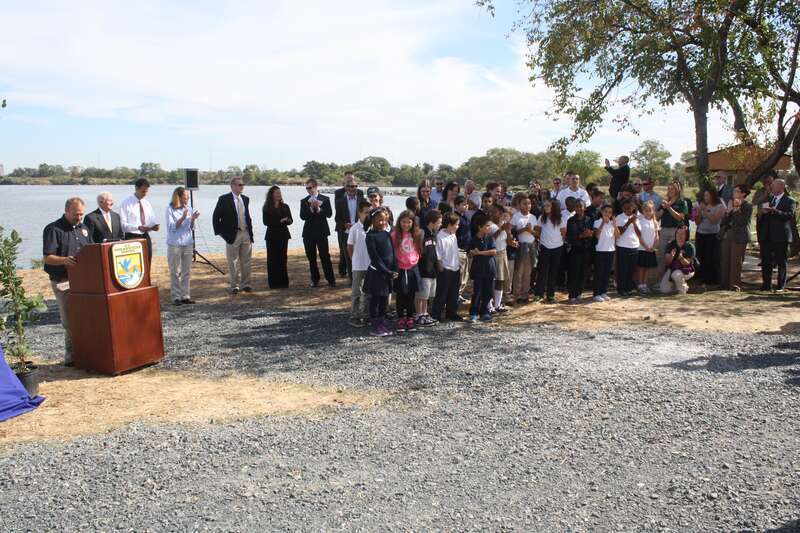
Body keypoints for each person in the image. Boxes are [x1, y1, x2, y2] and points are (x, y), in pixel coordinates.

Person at [42, 197, 93, 366]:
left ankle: (88, 352)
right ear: (66, 211)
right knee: (69, 319)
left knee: (87, 316)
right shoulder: (53, 229)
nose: (79, 218)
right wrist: (64, 260)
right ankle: (71, 357)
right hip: (63, 281)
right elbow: (47, 258)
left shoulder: (84, 228)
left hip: (84, 280)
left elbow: (92, 250)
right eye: (76, 214)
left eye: (81, 214)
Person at [212, 177, 254, 294]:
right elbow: (216, 217)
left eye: (243, 185)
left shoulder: (245, 199)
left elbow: (247, 216)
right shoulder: (224, 199)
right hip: (232, 235)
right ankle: (234, 285)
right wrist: (221, 233)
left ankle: (246, 284)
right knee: (233, 261)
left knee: (246, 260)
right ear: (233, 186)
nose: (242, 187)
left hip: (245, 233)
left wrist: (250, 233)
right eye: (240, 185)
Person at [364, 207, 398, 337]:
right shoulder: (370, 236)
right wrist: (387, 271)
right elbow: (375, 258)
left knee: (385, 300)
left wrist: (395, 268)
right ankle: (376, 325)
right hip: (377, 273)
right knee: (376, 299)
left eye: (385, 220)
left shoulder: (386, 234)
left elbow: (392, 253)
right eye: (379, 220)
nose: (383, 223)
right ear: (373, 220)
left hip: (388, 273)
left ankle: (382, 322)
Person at [758, 178, 796, 292]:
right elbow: (762, 216)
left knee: (781, 262)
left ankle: (780, 286)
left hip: (781, 236)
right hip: (767, 236)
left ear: (781, 187)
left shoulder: (790, 200)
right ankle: (766, 285)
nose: (771, 187)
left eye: (773, 186)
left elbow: (789, 215)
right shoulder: (769, 199)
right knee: (766, 262)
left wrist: (775, 211)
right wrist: (762, 213)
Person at [298, 178, 336, 287]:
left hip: (322, 231)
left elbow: (329, 214)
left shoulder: (325, 198)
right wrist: (310, 209)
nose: (308, 190)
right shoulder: (304, 201)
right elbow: (302, 216)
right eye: (307, 188)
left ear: (315, 187)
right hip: (308, 233)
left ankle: (331, 280)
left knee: (325, 256)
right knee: (311, 257)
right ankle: (315, 279)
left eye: (310, 188)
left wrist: (319, 209)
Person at [165, 187, 199, 305]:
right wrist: (183, 218)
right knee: (174, 271)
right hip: (175, 244)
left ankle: (185, 296)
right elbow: (171, 228)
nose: (188, 198)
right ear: (178, 197)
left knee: (186, 271)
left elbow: (191, 228)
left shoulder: (189, 208)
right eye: (186, 196)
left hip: (187, 243)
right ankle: (176, 297)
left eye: (188, 196)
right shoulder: (170, 209)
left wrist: (193, 219)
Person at [391, 210, 423, 332]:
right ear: (399, 222)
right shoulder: (395, 235)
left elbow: (419, 249)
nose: (406, 224)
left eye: (409, 222)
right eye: (403, 222)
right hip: (400, 268)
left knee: (411, 294)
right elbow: (392, 251)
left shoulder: (417, 234)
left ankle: (410, 317)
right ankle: (401, 318)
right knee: (400, 295)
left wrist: (415, 259)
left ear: (413, 223)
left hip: (412, 268)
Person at [719, 184, 753, 291]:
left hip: (740, 236)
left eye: (736, 191)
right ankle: (724, 285)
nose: (734, 193)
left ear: (743, 194)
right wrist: (728, 211)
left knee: (736, 262)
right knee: (726, 260)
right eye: (734, 191)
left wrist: (737, 209)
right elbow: (723, 222)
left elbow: (742, 222)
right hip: (728, 234)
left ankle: (734, 286)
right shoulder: (731, 204)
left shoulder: (748, 206)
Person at [533, 199, 567, 303]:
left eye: (548, 206)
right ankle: (539, 293)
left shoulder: (560, 219)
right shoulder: (541, 218)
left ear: (554, 207)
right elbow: (537, 232)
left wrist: (556, 242)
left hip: (557, 247)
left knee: (553, 271)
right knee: (542, 271)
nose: (545, 207)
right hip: (544, 247)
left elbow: (563, 233)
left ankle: (550, 294)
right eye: (545, 206)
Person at [432, 213, 463, 322]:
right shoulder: (440, 236)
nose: (457, 227)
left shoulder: (453, 235)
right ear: (449, 224)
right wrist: (440, 265)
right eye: (456, 224)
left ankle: (451, 313)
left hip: (455, 267)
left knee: (454, 293)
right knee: (442, 293)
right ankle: (436, 314)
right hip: (445, 268)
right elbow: (438, 253)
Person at [119, 178, 159, 262]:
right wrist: (138, 227)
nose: (145, 194)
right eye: (143, 191)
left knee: (148, 260)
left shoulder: (147, 203)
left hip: (145, 235)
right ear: (136, 188)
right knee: (134, 263)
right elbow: (122, 225)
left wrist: (154, 226)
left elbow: (152, 220)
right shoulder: (125, 203)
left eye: (147, 191)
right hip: (131, 236)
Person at [656, 180, 691, 275]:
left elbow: (681, 217)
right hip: (664, 230)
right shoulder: (665, 201)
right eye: (669, 188)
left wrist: (669, 208)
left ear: (677, 190)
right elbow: (657, 216)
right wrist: (664, 207)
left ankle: (674, 278)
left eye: (673, 188)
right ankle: (661, 280)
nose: (670, 190)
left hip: (676, 232)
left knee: (674, 255)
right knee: (662, 255)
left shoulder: (682, 202)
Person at [347, 200, 373, 327]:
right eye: (366, 213)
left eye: (370, 212)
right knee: (356, 292)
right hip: (358, 265)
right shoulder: (355, 228)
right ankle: (354, 315)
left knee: (367, 292)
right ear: (359, 213)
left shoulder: (372, 228)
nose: (368, 215)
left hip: (370, 265)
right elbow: (350, 246)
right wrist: (354, 259)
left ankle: (366, 315)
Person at [468, 212, 497, 322]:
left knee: (488, 291)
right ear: (480, 227)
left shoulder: (490, 238)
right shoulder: (473, 239)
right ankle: (473, 313)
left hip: (490, 268)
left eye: (490, 225)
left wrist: (480, 253)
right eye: (487, 226)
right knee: (477, 291)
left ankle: (485, 311)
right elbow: (469, 254)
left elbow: (494, 251)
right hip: (478, 269)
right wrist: (472, 253)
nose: (489, 228)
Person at [262, 185, 293, 289]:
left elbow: (290, 221)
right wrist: (279, 221)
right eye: (277, 193)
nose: (279, 195)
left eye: (280, 193)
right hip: (271, 236)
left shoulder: (285, 206)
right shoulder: (266, 207)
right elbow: (266, 222)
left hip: (283, 235)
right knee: (272, 259)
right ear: (272, 194)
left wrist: (287, 220)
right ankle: (273, 283)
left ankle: (283, 283)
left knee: (282, 258)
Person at [334, 172, 364, 279]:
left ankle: (360, 279)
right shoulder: (340, 202)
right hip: (346, 233)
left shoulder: (362, 200)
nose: (353, 188)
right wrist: (344, 225)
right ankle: (352, 280)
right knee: (348, 257)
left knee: (359, 255)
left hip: (359, 232)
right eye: (351, 186)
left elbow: (365, 216)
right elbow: (337, 219)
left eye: (355, 186)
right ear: (346, 188)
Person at [415, 210, 442, 326]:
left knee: (427, 296)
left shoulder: (434, 234)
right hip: (423, 269)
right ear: (432, 222)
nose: (440, 225)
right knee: (421, 295)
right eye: (439, 222)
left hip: (432, 270)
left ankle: (425, 314)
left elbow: (434, 253)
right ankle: (418, 315)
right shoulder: (422, 233)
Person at [694, 188, 726, 286]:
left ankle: (713, 278)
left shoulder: (719, 206)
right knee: (701, 256)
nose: (705, 198)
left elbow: (714, 220)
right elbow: (697, 222)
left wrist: (705, 210)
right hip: (700, 233)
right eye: (704, 196)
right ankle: (703, 278)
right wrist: (699, 212)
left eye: (707, 195)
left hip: (712, 235)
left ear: (712, 196)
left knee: (711, 257)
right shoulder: (702, 205)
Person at [566, 200, 594, 302]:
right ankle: (572, 295)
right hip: (575, 250)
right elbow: (571, 237)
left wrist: (590, 234)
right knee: (574, 272)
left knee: (583, 272)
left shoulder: (589, 219)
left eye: (580, 206)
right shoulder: (571, 220)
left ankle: (579, 293)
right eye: (576, 207)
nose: (578, 208)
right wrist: (582, 235)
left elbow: (592, 232)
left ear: (585, 208)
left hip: (587, 249)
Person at [511, 195, 536, 304]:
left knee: (528, 272)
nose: (527, 206)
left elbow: (537, 233)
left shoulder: (533, 217)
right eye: (524, 204)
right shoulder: (516, 217)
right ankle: (517, 295)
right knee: (519, 272)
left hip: (531, 246)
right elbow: (513, 232)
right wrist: (524, 229)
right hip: (520, 246)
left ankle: (525, 294)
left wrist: (530, 231)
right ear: (519, 205)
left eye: (529, 203)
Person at [614, 199, 641, 297]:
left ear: (633, 208)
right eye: (625, 208)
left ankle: (629, 288)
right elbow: (619, 232)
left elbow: (639, 234)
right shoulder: (619, 218)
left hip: (634, 246)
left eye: (629, 208)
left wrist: (634, 223)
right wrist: (628, 222)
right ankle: (621, 289)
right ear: (622, 208)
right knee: (623, 269)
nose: (628, 210)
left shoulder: (636, 218)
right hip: (622, 246)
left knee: (631, 269)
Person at [659, 224, 696, 294]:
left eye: (682, 234)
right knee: (664, 289)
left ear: (686, 235)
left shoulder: (690, 246)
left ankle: (682, 290)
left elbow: (687, 263)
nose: (679, 235)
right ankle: (677, 285)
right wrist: (671, 257)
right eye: (678, 233)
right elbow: (667, 263)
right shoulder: (670, 244)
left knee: (676, 275)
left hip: (687, 270)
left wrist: (681, 258)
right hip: (673, 268)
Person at [593, 205, 619, 302]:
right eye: (605, 212)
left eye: (609, 212)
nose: (607, 214)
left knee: (606, 273)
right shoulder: (597, 222)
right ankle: (596, 293)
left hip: (610, 250)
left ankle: (603, 292)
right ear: (602, 212)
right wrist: (603, 224)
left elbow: (617, 236)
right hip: (600, 250)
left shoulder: (612, 224)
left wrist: (615, 225)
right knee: (599, 273)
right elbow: (596, 235)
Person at [488, 204, 511, 313]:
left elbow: (507, 240)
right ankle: (489, 305)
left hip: (503, 253)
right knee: (491, 280)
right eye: (491, 211)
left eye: (495, 211)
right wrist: (501, 229)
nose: (492, 213)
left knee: (500, 280)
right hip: (493, 254)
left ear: (501, 214)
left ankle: (497, 304)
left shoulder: (503, 224)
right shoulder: (489, 224)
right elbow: (491, 239)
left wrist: (510, 235)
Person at [635, 200, 659, 294]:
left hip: (651, 249)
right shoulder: (640, 221)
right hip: (642, 248)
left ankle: (645, 284)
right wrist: (645, 246)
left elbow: (657, 236)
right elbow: (639, 236)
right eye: (646, 210)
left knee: (647, 267)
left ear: (652, 211)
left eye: (649, 210)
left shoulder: (655, 222)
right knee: (641, 267)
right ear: (643, 211)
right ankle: (640, 285)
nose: (648, 212)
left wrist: (653, 247)